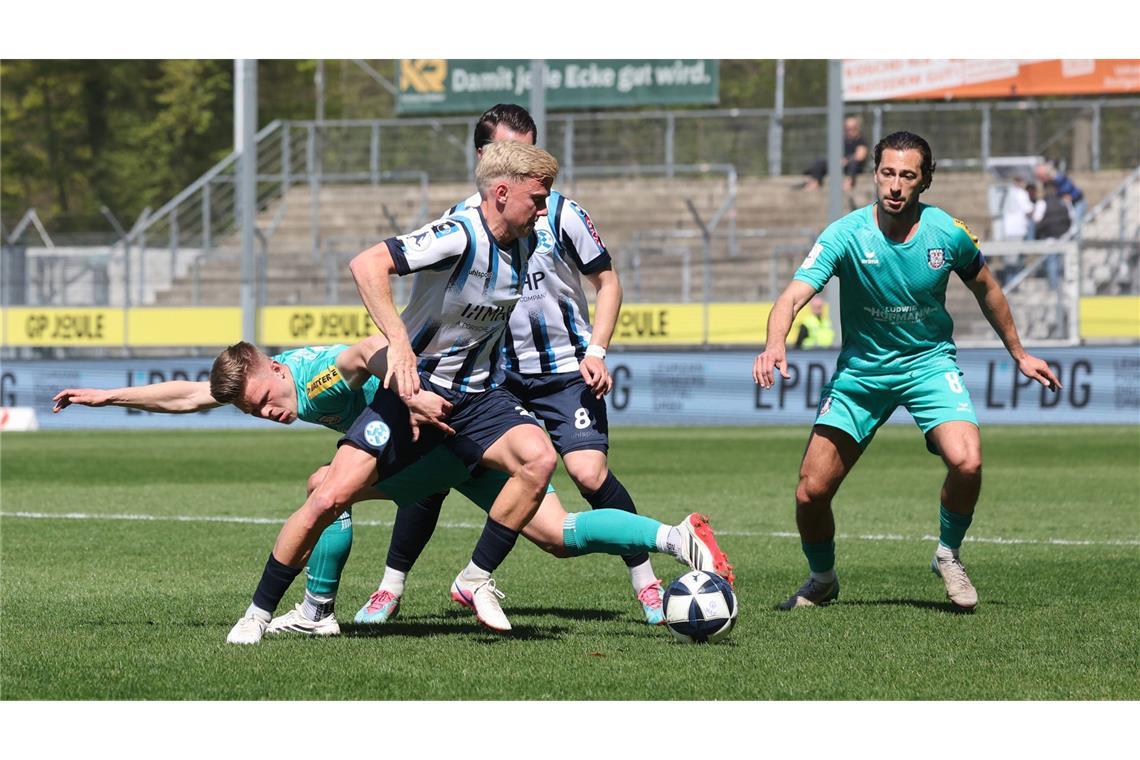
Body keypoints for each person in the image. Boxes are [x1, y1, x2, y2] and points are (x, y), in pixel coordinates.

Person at [56, 339, 728, 642]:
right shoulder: (267, 385)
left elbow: (367, 351)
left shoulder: (316, 372)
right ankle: (676, 538)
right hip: (449, 452)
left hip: (434, 445)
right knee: (557, 537)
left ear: (269, 365)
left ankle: (315, 610)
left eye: (264, 400)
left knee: (327, 485)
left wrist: (401, 382)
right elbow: (188, 395)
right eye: (254, 413)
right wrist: (106, 395)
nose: (267, 414)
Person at [355, 104, 716, 629]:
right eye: (515, 150)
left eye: (533, 148)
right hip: (493, 377)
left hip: (565, 372)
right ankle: (393, 586)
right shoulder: (460, 221)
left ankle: (646, 579)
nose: (530, 163)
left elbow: (607, 282)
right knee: (435, 474)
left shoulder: (561, 213)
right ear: (487, 160)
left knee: (589, 474)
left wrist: (597, 350)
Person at [754, 131, 1061, 612]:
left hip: (928, 364)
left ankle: (947, 554)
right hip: (862, 372)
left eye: (907, 176)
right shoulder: (845, 234)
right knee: (811, 492)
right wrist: (775, 343)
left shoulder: (947, 232)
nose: (895, 186)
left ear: (925, 181)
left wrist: (1019, 353)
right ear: (876, 174)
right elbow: (793, 295)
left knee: (968, 461)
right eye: (887, 173)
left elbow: (988, 289)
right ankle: (822, 578)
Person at [344, 140, 576, 633]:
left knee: (539, 459)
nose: (545, 208)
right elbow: (367, 265)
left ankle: (475, 577)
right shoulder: (458, 233)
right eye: (538, 198)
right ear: (500, 192)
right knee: (331, 494)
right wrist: (399, 345)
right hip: (416, 393)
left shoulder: (529, 241)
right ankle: (310, 607)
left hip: (475, 398)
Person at [801, 117, 869, 192]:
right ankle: (816, 182)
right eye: (847, 128)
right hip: (839, 164)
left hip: (852, 167)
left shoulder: (861, 140)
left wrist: (846, 160)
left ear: (857, 128)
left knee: (854, 163)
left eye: (852, 128)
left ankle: (848, 183)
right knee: (819, 161)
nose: (849, 131)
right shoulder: (842, 140)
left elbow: (860, 156)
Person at [1033, 181, 1072, 290]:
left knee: (1051, 262)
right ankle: (1060, 287)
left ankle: (1053, 288)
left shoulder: (1042, 203)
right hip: (1063, 236)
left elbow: (1036, 219)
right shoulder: (1063, 202)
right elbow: (1070, 218)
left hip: (1049, 236)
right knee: (1060, 262)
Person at [1035, 161, 1086, 228]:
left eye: (1041, 177)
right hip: (1067, 205)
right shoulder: (1048, 183)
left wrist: (1064, 197)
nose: (1040, 180)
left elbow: (1069, 190)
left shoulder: (1059, 178)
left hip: (1077, 202)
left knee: (1076, 226)